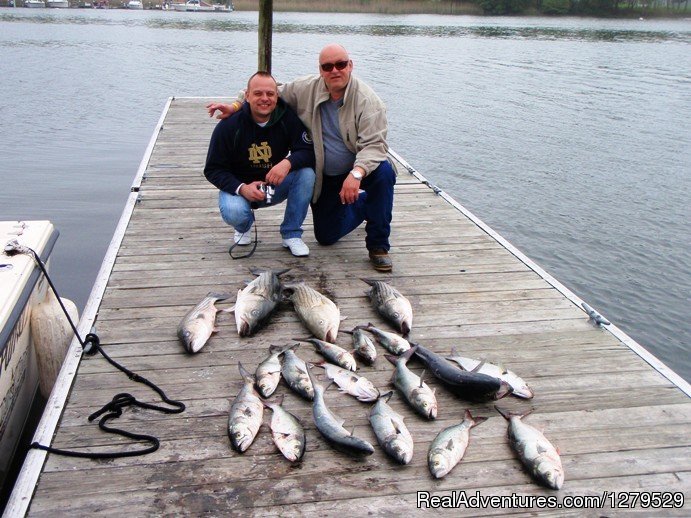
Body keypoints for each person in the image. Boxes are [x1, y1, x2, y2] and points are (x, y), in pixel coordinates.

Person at [207, 44, 396, 272]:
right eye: (327, 66)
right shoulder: (305, 89)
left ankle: (378, 246)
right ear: (320, 70)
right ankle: (367, 204)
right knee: (326, 236)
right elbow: (267, 90)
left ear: (350, 65)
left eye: (341, 64)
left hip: (361, 168)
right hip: (326, 175)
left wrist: (356, 174)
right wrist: (236, 105)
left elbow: (375, 145)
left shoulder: (369, 102)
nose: (334, 70)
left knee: (384, 174)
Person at [204, 71, 315, 257]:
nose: (265, 99)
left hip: (272, 187)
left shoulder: (287, 118)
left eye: (270, 94)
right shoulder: (228, 125)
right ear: (246, 96)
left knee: (307, 173)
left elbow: (308, 151)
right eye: (258, 94)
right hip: (239, 189)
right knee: (234, 211)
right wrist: (241, 188)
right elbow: (213, 169)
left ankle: (291, 233)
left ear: (277, 95)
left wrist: (287, 163)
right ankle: (243, 226)